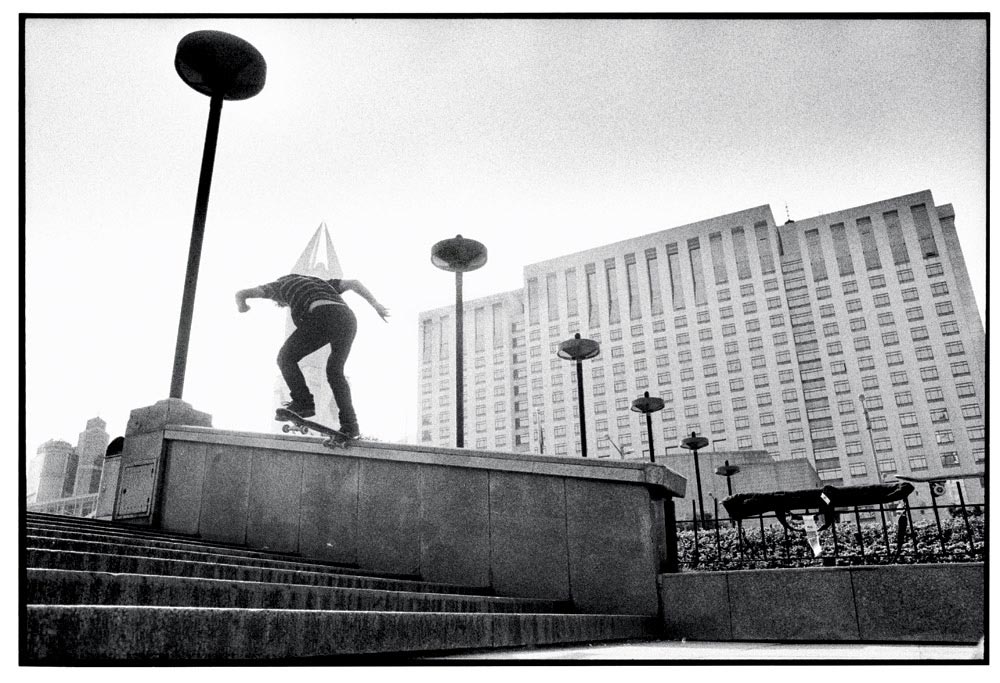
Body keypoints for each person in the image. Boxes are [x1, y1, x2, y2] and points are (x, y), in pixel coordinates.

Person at [235, 274, 389, 437]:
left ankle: (303, 402)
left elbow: (241, 293)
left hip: (322, 316)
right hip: (347, 319)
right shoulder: (323, 284)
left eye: (282, 304)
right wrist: (376, 304)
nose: (284, 304)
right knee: (335, 372)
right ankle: (350, 425)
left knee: (285, 358)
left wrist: (242, 305)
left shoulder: (280, 286)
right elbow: (354, 283)